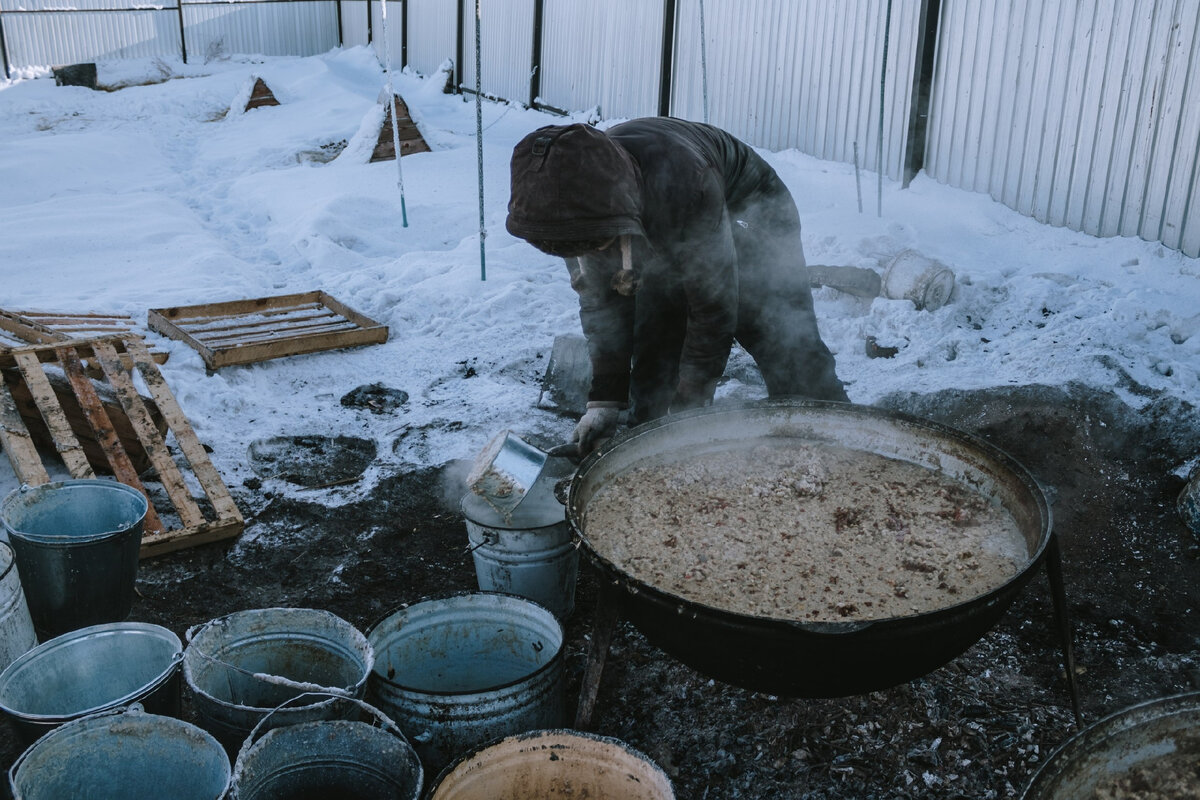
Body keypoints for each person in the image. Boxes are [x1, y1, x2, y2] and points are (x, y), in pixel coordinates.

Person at [506, 117, 849, 455]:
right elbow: (603, 308)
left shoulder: (688, 184)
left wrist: (689, 412)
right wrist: (604, 402)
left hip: (745, 212)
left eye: (598, 244)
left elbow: (714, 310)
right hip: (651, 219)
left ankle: (832, 431)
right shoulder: (568, 205)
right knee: (654, 338)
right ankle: (646, 442)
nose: (593, 253)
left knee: (780, 331)